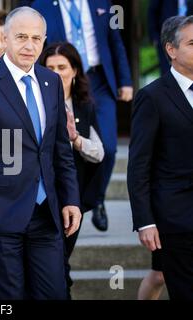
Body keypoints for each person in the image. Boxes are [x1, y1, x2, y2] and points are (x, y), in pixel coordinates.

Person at [0, 7, 81, 300]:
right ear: (5, 38)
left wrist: (71, 198)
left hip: (46, 215)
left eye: (36, 38)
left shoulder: (51, 84)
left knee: (53, 294)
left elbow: (60, 149)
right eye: (21, 36)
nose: (29, 45)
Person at [31, 0, 133, 232]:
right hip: (62, 78)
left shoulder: (102, 3)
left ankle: (97, 199)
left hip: (99, 80)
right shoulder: (42, 6)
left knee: (107, 146)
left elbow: (114, 41)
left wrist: (125, 80)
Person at [128, 15, 193, 300]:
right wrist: (145, 220)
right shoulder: (152, 97)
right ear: (171, 50)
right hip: (176, 220)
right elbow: (139, 165)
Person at [41, 42, 104, 298]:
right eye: (50, 67)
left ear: (75, 70)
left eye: (62, 67)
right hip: (41, 193)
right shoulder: (35, 99)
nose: (56, 73)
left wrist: (75, 138)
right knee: (50, 263)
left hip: (71, 195)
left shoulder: (84, 105)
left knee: (62, 258)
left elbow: (99, 152)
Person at [148, 0, 190, 75]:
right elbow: (152, 11)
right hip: (167, 36)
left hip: (188, 36)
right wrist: (154, 36)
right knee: (167, 70)